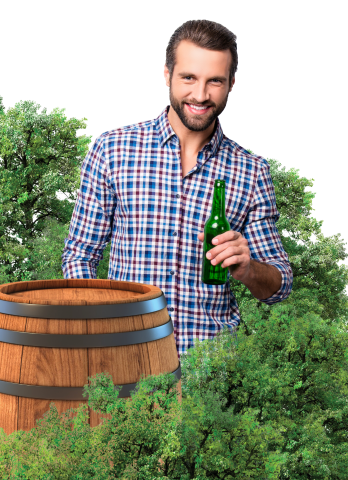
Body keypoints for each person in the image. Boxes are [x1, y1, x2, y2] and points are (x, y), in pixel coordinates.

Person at [61, 19, 293, 362]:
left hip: (210, 375)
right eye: (189, 78)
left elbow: (280, 285)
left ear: (231, 84)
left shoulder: (252, 170)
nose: (200, 95)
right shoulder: (112, 149)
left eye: (215, 81)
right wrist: (99, 335)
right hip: (125, 364)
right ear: (167, 74)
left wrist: (248, 269)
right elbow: (79, 256)